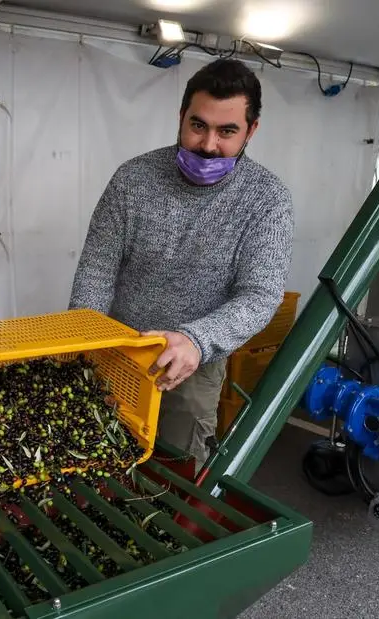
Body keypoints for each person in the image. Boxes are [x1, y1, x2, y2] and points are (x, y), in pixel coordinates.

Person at [69, 58, 294, 471]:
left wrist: (196, 339)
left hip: (194, 365)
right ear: (181, 117)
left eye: (227, 131)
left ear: (251, 130)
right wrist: (89, 341)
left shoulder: (267, 200)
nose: (209, 144)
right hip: (118, 350)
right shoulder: (133, 179)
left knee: (174, 471)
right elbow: (97, 269)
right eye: (198, 125)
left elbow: (261, 295)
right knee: (100, 455)